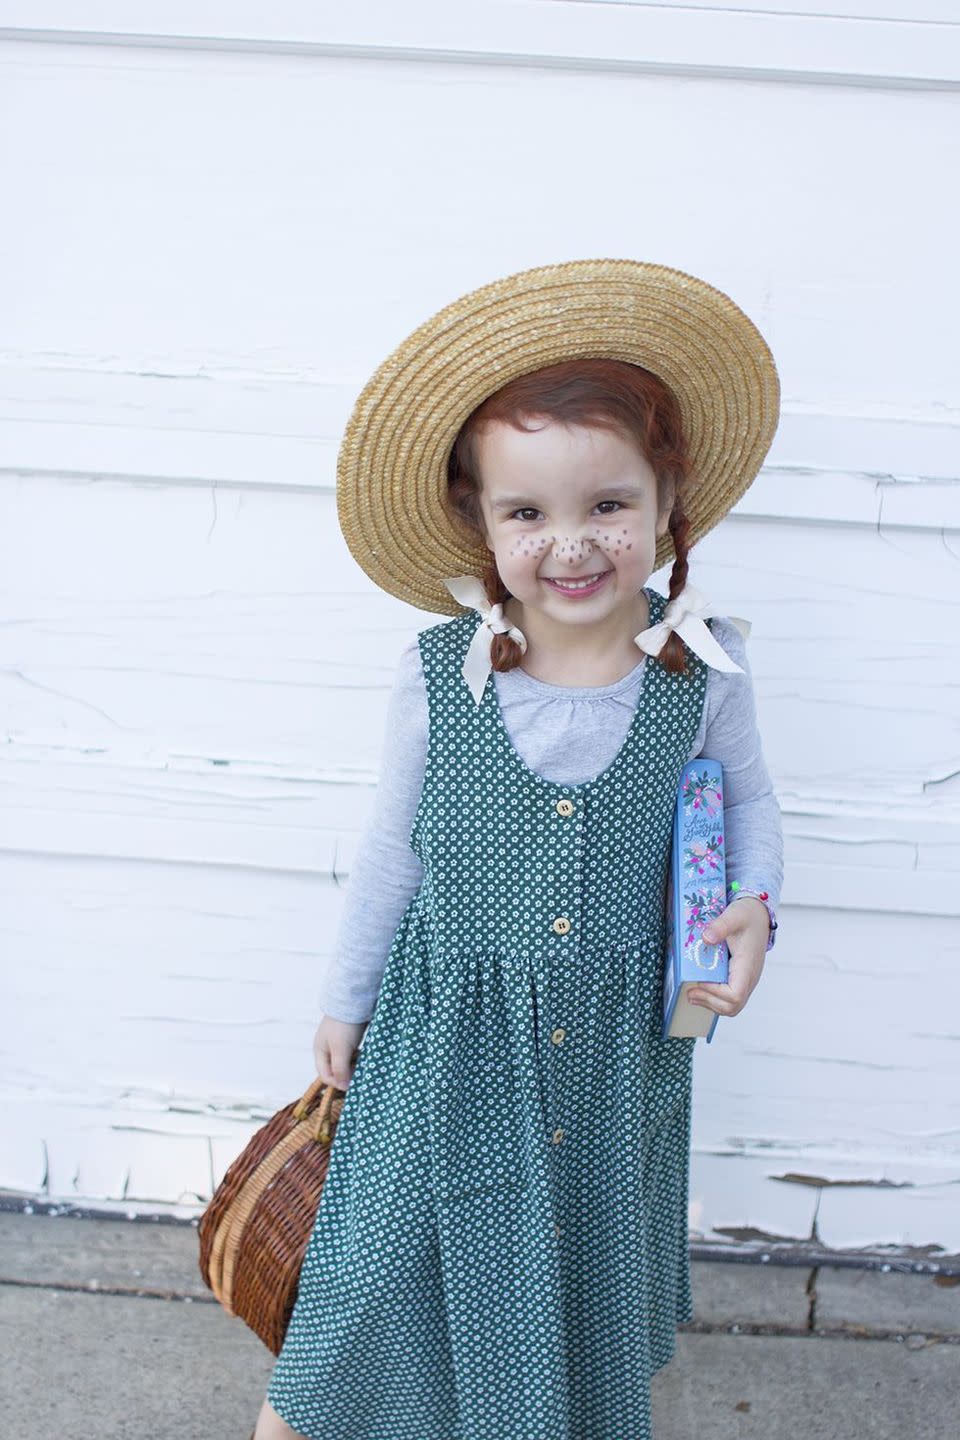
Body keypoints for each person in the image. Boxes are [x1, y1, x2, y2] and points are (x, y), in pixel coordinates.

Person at [253, 259, 784, 1440]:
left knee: (578, 1288)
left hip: (611, 1053)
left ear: (666, 506)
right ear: (479, 523)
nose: (573, 545)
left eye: (608, 505)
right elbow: (393, 846)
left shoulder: (703, 668)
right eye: (526, 513)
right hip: (444, 1036)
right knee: (370, 1285)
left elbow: (748, 805)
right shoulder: (442, 677)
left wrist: (753, 905)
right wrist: (345, 999)